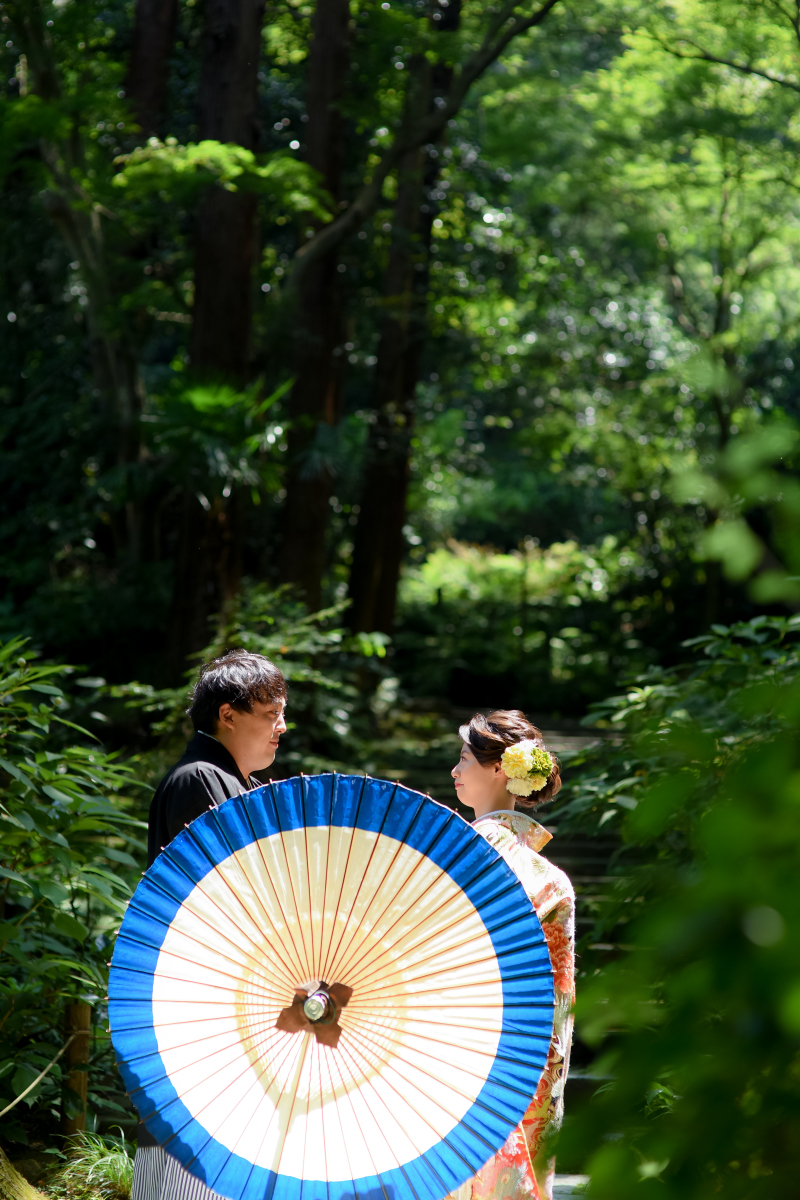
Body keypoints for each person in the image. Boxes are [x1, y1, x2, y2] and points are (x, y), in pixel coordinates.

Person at [131, 649, 288, 1200]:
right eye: (271, 715)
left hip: (228, 992)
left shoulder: (228, 781)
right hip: (206, 993)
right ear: (228, 714)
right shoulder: (200, 778)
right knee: (193, 1152)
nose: (281, 729)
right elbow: (234, 895)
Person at [448, 710, 575, 1200]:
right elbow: (558, 999)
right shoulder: (552, 880)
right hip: (526, 1054)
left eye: (464, 759)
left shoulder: (454, 856)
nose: (455, 772)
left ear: (499, 769)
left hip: (459, 1044)